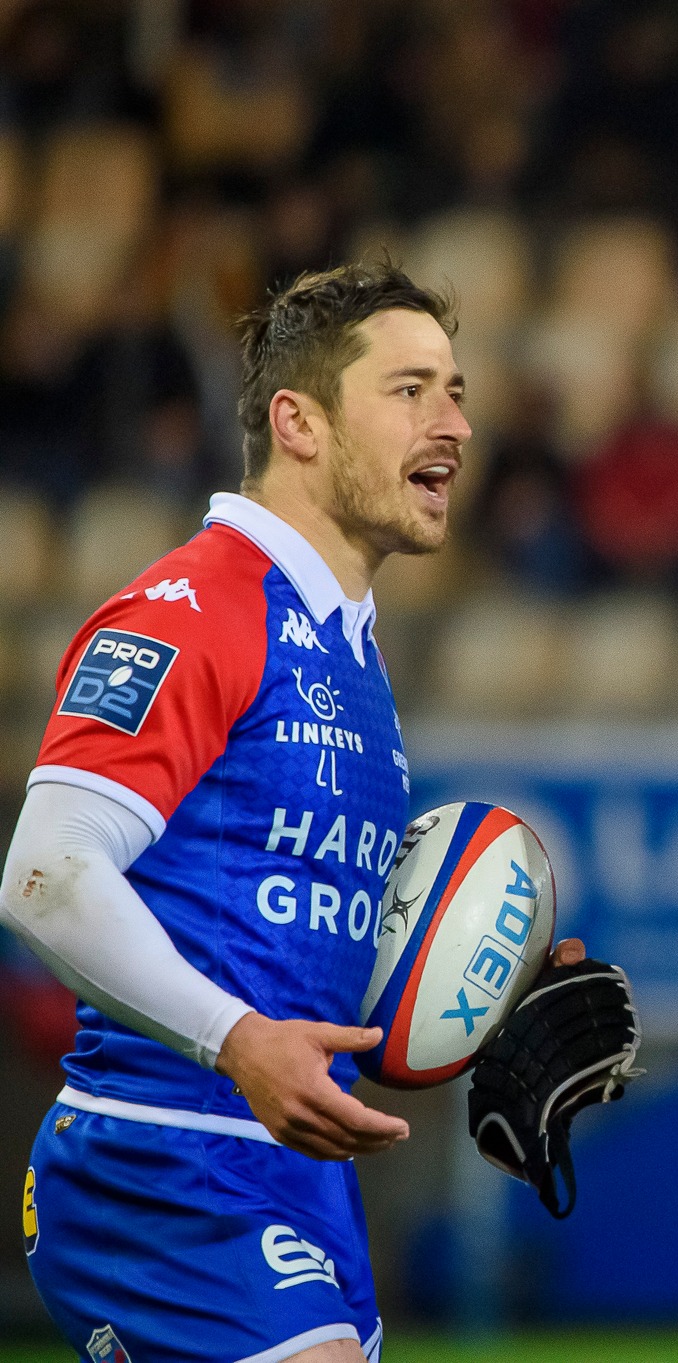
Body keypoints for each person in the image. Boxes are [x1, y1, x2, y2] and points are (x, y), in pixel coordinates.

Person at [0, 263, 573, 1362]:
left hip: (291, 1172)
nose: (453, 424)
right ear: (297, 422)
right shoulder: (198, 606)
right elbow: (44, 872)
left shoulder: (347, 648)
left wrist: (482, 988)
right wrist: (238, 1039)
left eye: (456, 391)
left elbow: (292, 928)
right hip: (164, 1162)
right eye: (408, 391)